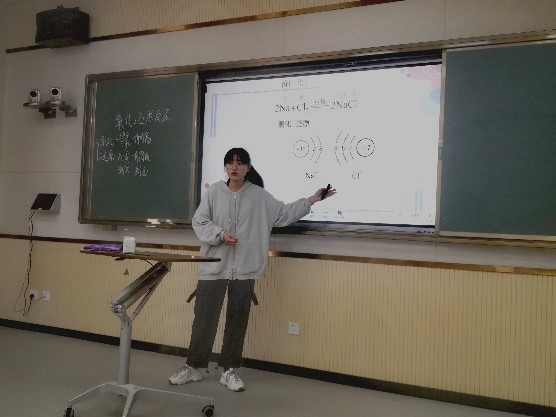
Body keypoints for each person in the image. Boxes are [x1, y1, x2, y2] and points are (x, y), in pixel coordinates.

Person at [169, 147, 336, 392]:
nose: (234, 167)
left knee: (238, 320)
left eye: (240, 163)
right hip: (214, 266)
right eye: (230, 162)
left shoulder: (259, 195)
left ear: (248, 167)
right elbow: (199, 221)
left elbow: (284, 213)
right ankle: (193, 366)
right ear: (225, 166)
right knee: (203, 319)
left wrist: (312, 199)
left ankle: (228, 369)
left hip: (245, 268)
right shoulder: (214, 192)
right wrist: (220, 234)